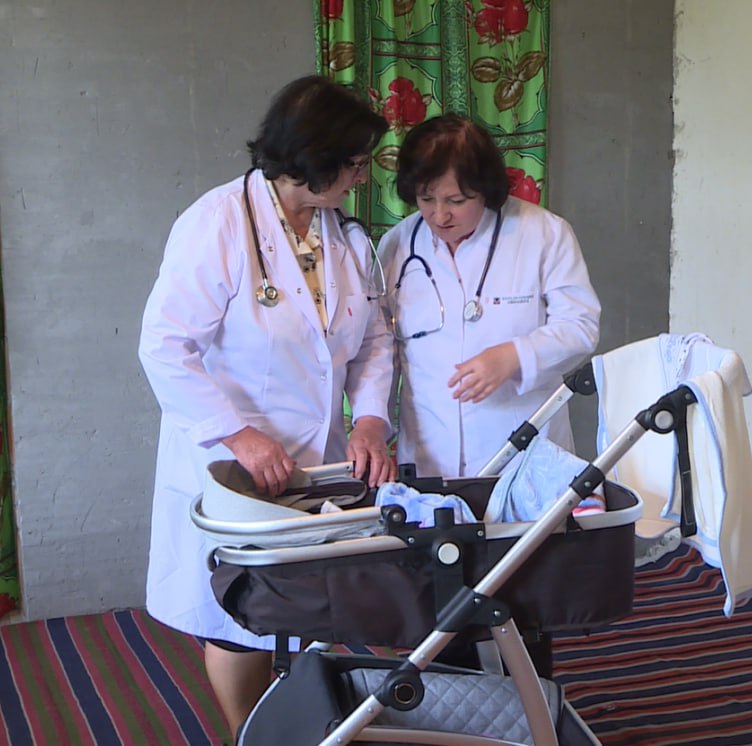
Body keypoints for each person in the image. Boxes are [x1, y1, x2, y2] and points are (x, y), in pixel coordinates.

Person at [138, 75, 395, 733]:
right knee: (237, 618)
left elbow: (372, 339)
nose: (363, 176)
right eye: (355, 162)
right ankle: (246, 735)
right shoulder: (218, 221)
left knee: (302, 605)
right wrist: (239, 435)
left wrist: (369, 418)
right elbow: (164, 346)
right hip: (234, 462)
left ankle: (296, 724)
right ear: (314, 158)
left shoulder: (345, 235)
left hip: (312, 460)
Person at [379, 114, 601, 480]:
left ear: (485, 189)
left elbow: (580, 327)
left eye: (456, 200)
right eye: (426, 198)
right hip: (428, 453)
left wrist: (514, 356)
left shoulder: (543, 234)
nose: (439, 215)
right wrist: (374, 427)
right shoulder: (398, 246)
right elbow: (381, 351)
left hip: (525, 454)